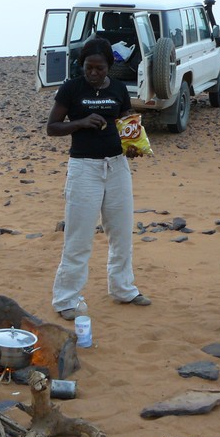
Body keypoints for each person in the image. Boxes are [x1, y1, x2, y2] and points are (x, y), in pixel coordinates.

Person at [47, 37, 151, 321]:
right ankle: (66, 299)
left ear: (110, 66)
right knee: (78, 238)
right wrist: (80, 122)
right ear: (82, 66)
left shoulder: (118, 88)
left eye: (99, 69)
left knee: (121, 232)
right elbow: (52, 127)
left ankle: (124, 289)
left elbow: (125, 119)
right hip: (84, 169)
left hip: (117, 167)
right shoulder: (71, 89)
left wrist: (133, 143)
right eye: (89, 68)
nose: (93, 74)